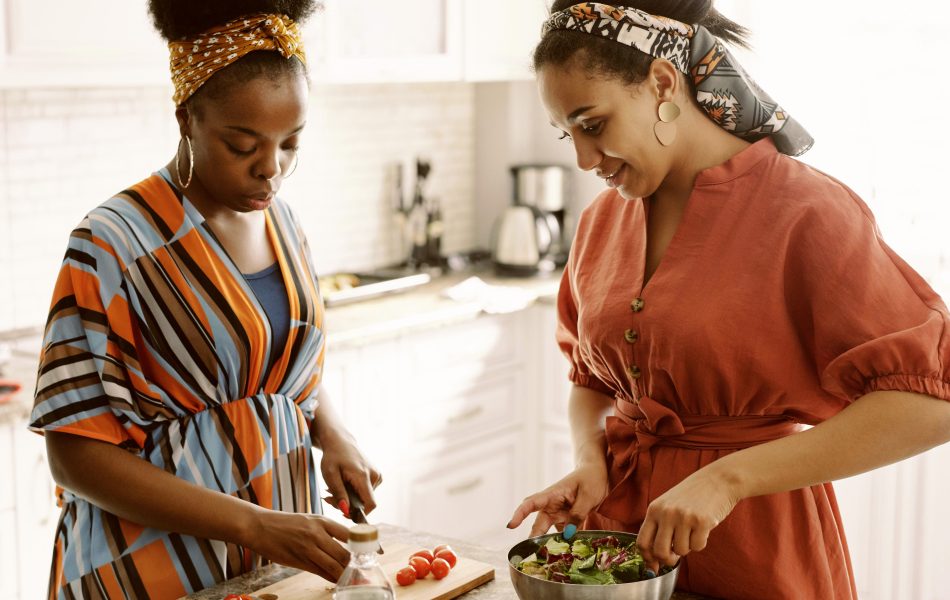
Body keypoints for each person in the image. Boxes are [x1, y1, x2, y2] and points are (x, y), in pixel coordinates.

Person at [507, 2, 950, 598]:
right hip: (622, 546)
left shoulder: (807, 213)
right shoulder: (599, 222)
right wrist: (591, 463)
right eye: (568, 133)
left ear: (663, 83)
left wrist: (728, 479)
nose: (583, 160)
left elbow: (932, 402)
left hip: (757, 552)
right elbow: (591, 379)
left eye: (593, 124)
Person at [28, 1, 382, 597]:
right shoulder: (114, 243)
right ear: (186, 118)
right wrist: (253, 523)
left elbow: (283, 373)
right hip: (148, 565)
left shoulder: (285, 224)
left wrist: (333, 433)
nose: (271, 169)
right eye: (242, 145)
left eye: (290, 143)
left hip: (271, 557)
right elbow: (74, 455)